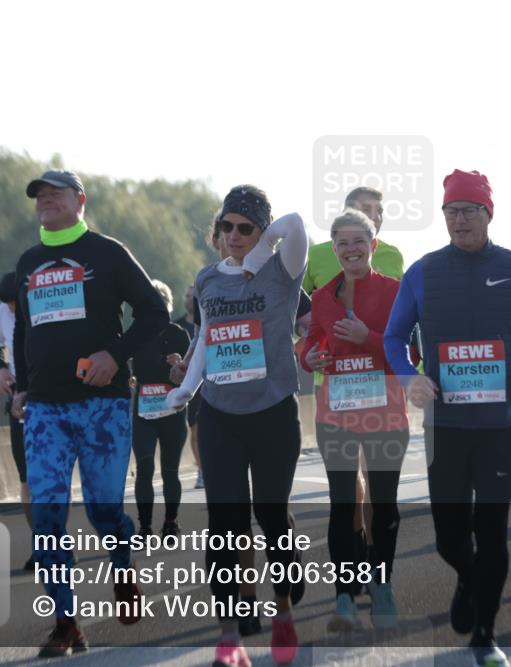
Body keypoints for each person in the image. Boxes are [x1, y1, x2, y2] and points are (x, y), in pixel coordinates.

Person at [385, 169, 511, 667]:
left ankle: (485, 635)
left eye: (469, 211)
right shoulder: (422, 272)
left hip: (500, 426)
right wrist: (409, 378)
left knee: (491, 531)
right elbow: (392, 338)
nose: (459, 220)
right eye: (451, 212)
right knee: (449, 536)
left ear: (489, 214)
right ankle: (467, 575)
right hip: (445, 426)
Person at [11, 170, 168, 657]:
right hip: (44, 410)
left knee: (104, 511)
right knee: (47, 516)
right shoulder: (28, 262)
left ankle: (122, 566)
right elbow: (24, 333)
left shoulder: (107, 251)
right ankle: (66, 623)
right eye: (40, 196)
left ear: (81, 200)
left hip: (104, 405)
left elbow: (154, 313)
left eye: (55, 194)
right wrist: (21, 386)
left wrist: (114, 356)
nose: (46, 201)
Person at [167, 185, 308, 667]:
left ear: (261, 231)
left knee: (272, 519)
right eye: (226, 226)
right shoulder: (208, 279)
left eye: (245, 228)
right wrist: (186, 387)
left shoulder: (282, 272)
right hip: (220, 416)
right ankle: (229, 636)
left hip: (272, 414)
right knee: (225, 526)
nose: (233, 236)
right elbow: (207, 337)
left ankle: (284, 612)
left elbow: (295, 225)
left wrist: (265, 244)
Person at [299, 209, 415, 631]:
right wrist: (308, 355)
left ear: (373, 246)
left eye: (358, 241)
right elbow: (310, 341)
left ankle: (381, 588)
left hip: (385, 414)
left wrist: (368, 337)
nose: (350, 249)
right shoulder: (322, 297)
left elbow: (411, 356)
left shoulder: (396, 292)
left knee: (383, 505)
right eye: (342, 242)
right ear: (334, 249)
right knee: (342, 503)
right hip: (337, 414)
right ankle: (344, 597)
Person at [131, 279, 191, 538]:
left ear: (168, 306)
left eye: (162, 305)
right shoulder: (136, 334)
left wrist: (180, 364)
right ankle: (144, 526)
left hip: (173, 410)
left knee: (170, 470)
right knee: (144, 467)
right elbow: (123, 362)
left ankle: (171, 522)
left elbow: (193, 373)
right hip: (144, 410)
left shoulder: (180, 334)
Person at [0, 270, 36, 569]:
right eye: (6, 305)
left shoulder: (41, 307)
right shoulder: (3, 311)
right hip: (19, 401)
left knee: (50, 480)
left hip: (48, 395)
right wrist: (0, 369)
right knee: (26, 479)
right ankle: (40, 544)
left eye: (14, 304)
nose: (10, 310)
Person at [174, 284, 204, 489]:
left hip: (211, 378)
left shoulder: (208, 320)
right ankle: (202, 470)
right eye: (187, 295)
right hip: (190, 384)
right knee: (195, 429)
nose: (190, 299)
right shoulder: (176, 326)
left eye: (194, 296)